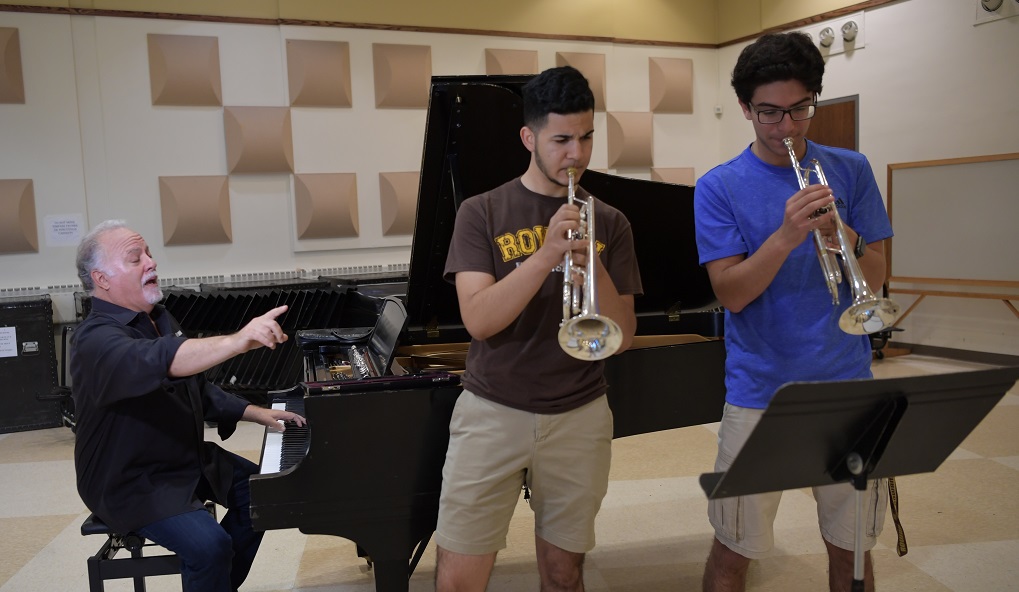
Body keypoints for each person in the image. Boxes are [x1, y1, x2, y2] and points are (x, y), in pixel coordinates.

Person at [694, 32, 893, 592]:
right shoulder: (719, 186)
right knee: (734, 550)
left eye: (799, 110)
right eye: (769, 113)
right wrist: (785, 236)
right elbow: (731, 294)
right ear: (744, 108)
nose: (785, 128)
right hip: (761, 392)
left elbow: (873, 282)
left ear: (814, 100)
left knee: (852, 552)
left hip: (847, 387)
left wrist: (844, 235)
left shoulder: (850, 170)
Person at [435, 65, 642, 592]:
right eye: (562, 140)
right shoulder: (480, 212)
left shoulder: (611, 222)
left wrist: (589, 260)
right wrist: (547, 253)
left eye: (587, 137)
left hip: (579, 414)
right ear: (529, 137)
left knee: (563, 573)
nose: (577, 154)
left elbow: (621, 337)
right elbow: (479, 320)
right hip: (491, 411)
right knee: (459, 577)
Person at [70, 219, 306, 592]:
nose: (151, 262)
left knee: (269, 495)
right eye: (136, 258)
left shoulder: (159, 317)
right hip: (132, 479)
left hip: (184, 456)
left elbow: (195, 387)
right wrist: (239, 340)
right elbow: (162, 360)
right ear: (102, 279)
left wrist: (256, 413)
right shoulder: (93, 340)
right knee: (211, 546)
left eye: (148, 253)